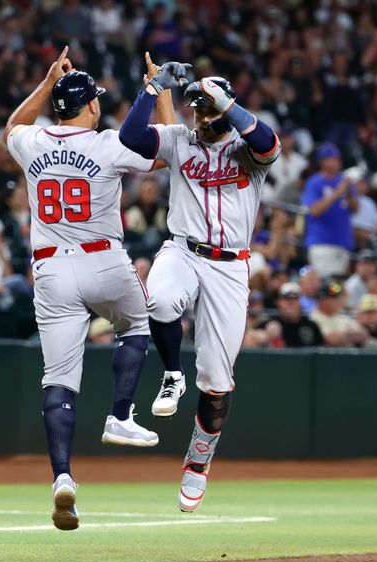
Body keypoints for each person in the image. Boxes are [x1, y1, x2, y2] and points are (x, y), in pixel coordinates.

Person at [4, 48, 160, 530]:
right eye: (95, 99)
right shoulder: (107, 143)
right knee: (136, 324)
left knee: (59, 378)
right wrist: (155, 93)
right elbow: (157, 154)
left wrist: (47, 81)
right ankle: (119, 414)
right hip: (104, 257)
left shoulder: (31, 142)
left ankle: (63, 477)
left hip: (51, 269)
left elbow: (11, 125)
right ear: (90, 106)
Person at [120, 61, 281, 513]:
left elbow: (267, 142)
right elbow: (131, 138)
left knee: (215, 380)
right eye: (196, 112)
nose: (202, 121)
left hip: (230, 267)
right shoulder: (179, 139)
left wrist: (226, 102)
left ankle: (198, 461)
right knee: (161, 297)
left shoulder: (248, 148)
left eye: (209, 113)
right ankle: (172, 374)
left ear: (227, 112)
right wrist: (152, 89)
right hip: (184, 249)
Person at [301, 143, 359, 278]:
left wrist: (349, 191)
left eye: (337, 159)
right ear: (323, 161)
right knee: (326, 285)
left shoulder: (344, 181)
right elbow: (314, 210)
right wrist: (337, 193)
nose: (336, 162)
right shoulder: (314, 182)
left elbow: (355, 209)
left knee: (338, 287)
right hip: (322, 242)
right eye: (332, 159)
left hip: (343, 242)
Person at [309, 281, 368, 348]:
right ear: (322, 299)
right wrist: (351, 335)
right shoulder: (312, 319)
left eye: (339, 297)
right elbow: (330, 340)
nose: (339, 300)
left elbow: (364, 335)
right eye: (334, 298)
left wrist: (343, 336)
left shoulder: (343, 317)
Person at [273, 282, 323, 348]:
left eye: (295, 299)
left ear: (300, 302)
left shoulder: (312, 327)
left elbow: (319, 353)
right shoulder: (269, 324)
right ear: (279, 302)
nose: (290, 303)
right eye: (287, 299)